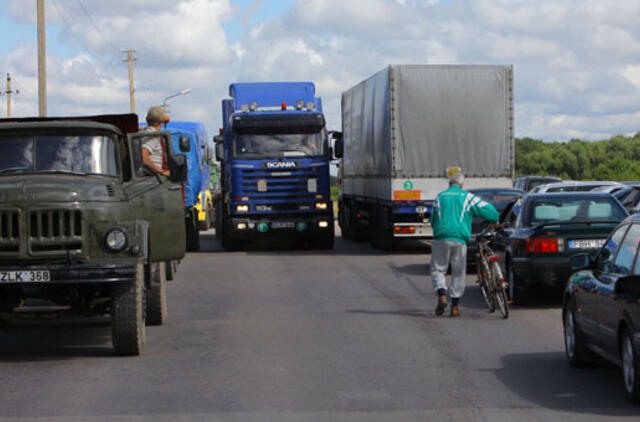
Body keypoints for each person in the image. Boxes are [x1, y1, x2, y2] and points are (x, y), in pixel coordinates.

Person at [430, 172, 499, 317]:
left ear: (449, 184)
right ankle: (455, 306)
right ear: (462, 185)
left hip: (441, 237)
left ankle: (441, 294)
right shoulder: (467, 196)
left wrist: (438, 231)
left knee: (438, 269)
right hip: (460, 239)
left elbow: (433, 218)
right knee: (458, 271)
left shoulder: (440, 197)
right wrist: (495, 219)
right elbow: (488, 210)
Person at [141, 106, 170, 176]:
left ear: (147, 119)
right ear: (163, 120)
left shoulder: (144, 133)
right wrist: (161, 171)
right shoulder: (153, 135)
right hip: (152, 178)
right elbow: (143, 156)